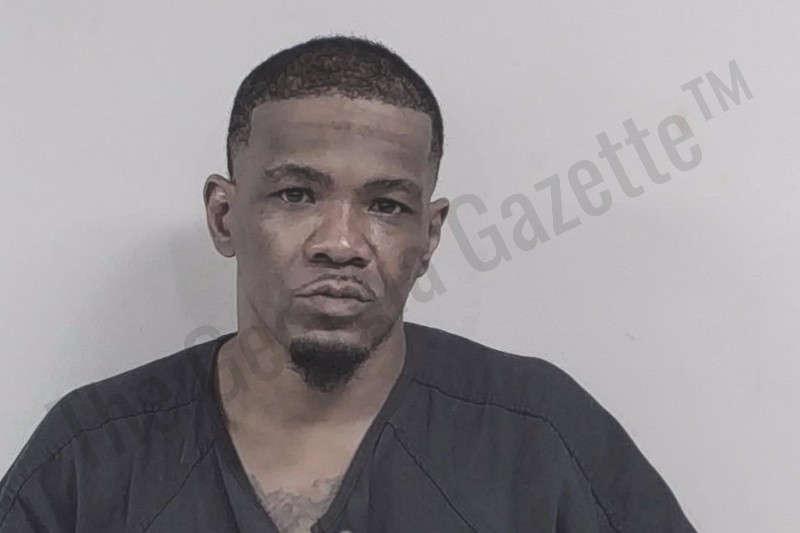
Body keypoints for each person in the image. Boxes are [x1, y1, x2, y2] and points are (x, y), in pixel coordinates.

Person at [0, 35, 698, 533]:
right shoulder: (91, 456)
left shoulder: (539, 438)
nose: (340, 243)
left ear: (429, 235)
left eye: (386, 205)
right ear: (224, 216)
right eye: (296, 194)